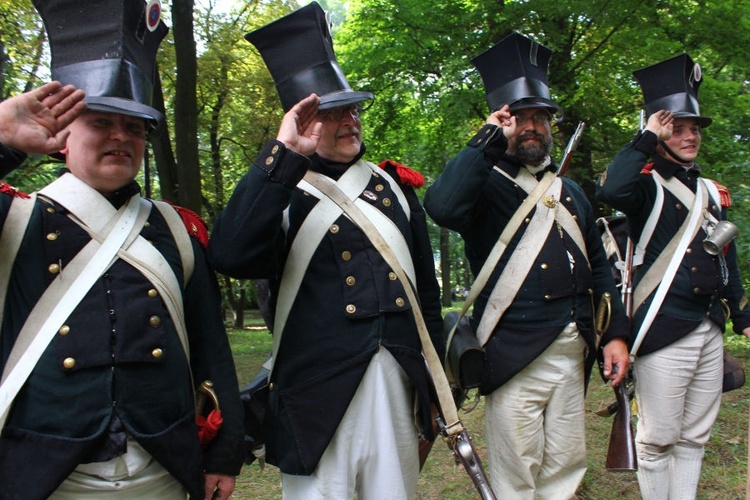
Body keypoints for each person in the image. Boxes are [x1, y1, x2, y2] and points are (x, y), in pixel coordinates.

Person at [0, 1, 245, 498]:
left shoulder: (177, 231)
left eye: (134, 126)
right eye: (100, 121)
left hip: (165, 464)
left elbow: (211, 348)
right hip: (46, 470)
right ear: (62, 134)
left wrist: (224, 451)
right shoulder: (16, 220)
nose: (120, 136)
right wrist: (2, 138)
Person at [208, 3, 444, 498]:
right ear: (302, 123)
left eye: (352, 109)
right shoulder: (279, 187)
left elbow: (426, 295)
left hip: (397, 383)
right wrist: (283, 158)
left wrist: (439, 382)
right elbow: (230, 255)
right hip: (314, 393)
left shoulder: (394, 189)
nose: (349, 121)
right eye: (332, 113)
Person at [424, 32, 630, 499]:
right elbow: (441, 205)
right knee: (517, 474)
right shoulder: (483, 185)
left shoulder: (571, 192)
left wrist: (614, 333)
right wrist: (488, 140)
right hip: (512, 352)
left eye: (540, 116)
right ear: (502, 121)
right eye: (519, 117)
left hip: (574, 347)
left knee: (565, 465)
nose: (531, 126)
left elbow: (600, 268)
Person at [595, 53, 750, 499]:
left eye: (693, 129)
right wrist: (646, 136)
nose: (689, 137)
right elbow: (610, 190)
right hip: (662, 329)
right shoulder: (643, 185)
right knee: (658, 437)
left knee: (694, 436)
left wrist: (741, 314)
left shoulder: (709, 192)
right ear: (658, 131)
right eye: (676, 128)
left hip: (708, 325)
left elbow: (727, 259)